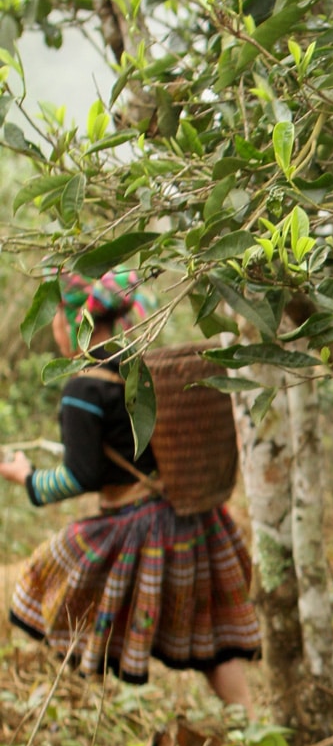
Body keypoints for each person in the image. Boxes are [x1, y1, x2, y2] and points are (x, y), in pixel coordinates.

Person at [2, 269, 260, 703]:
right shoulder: (138, 367)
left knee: (43, 583)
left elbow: (80, 476)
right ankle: (251, 726)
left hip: (142, 526)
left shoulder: (83, 388)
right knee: (211, 645)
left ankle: (84, 711)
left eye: (58, 322)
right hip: (190, 519)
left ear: (72, 321)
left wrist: (25, 477)